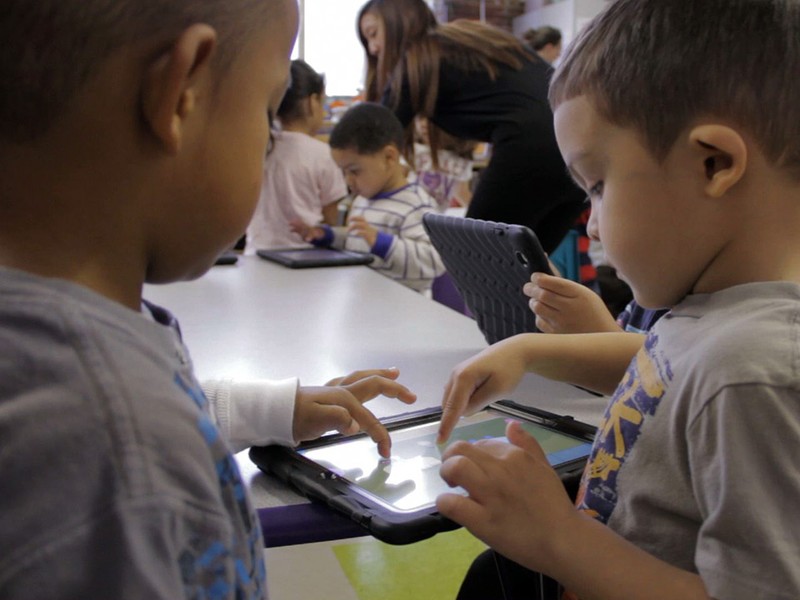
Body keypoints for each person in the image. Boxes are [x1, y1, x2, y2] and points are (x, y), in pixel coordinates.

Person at [0, 1, 418, 597]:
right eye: (268, 112)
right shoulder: (120, 447)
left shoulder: (69, 349)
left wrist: (279, 408)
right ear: (182, 91)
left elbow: (180, 400)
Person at [435, 1, 800, 599]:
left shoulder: (757, 374)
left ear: (714, 163)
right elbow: (663, 371)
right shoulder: (715, 314)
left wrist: (557, 539)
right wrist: (528, 351)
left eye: (598, 186)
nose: (591, 226)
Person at [357, 0, 585, 253]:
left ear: (398, 23)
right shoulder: (468, 39)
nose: (373, 48)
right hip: (579, 146)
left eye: (373, 34)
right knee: (531, 268)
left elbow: (374, 136)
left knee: (476, 255)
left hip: (532, 146)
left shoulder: (417, 59)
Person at [292, 102, 445, 293]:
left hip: (403, 310)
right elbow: (358, 242)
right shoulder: (364, 199)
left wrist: (384, 244)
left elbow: (434, 261)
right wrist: (329, 236)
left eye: (354, 171)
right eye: (344, 172)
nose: (348, 180)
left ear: (389, 157)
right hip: (367, 301)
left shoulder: (417, 206)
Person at [245, 59, 347, 252]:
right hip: (306, 260)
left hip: (257, 255)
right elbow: (330, 222)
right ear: (312, 102)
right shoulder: (323, 154)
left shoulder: (260, 148)